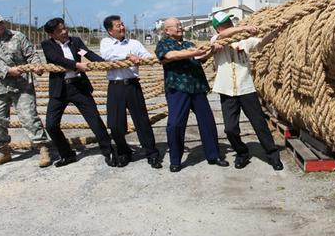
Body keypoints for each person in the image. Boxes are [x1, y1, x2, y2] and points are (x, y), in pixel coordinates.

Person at [210, 12, 284, 170]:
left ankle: (273, 155)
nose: (230, 23)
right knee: (230, 128)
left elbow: (261, 44)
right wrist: (244, 27)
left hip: (246, 88)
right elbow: (224, 35)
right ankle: (242, 153)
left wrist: (275, 31)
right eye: (225, 22)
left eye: (230, 20)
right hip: (227, 90)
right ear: (218, 28)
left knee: (259, 124)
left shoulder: (243, 39)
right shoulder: (215, 41)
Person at [40, 18, 116, 168]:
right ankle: (67, 154)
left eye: (64, 28)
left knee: (95, 120)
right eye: (59, 30)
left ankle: (109, 152)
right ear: (51, 34)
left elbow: (88, 54)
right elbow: (56, 59)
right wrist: (77, 65)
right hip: (59, 88)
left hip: (78, 86)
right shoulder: (47, 45)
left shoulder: (75, 41)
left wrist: (106, 64)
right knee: (51, 125)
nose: (64, 31)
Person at [156, 17, 228, 172]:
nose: (180, 27)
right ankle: (175, 160)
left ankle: (213, 155)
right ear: (167, 30)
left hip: (197, 87)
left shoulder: (189, 44)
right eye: (176, 26)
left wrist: (211, 52)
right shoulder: (164, 43)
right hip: (178, 88)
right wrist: (193, 52)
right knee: (175, 124)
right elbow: (170, 56)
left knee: (207, 122)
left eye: (180, 25)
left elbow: (200, 58)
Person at [0, 11, 51, 167]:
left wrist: (37, 66)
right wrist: (7, 70)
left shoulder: (18, 36)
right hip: (0, 86)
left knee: (29, 116)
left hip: (22, 84)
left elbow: (31, 54)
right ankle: (3, 151)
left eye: (0, 23)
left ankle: (43, 148)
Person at [99, 15, 162, 169]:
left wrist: (147, 59)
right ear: (110, 31)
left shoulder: (134, 43)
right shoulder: (106, 42)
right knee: (115, 124)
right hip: (115, 87)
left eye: (122, 24)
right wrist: (127, 56)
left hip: (133, 86)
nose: (122, 27)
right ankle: (124, 152)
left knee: (142, 121)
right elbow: (107, 57)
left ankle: (152, 153)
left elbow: (146, 56)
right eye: (118, 26)